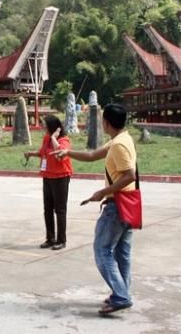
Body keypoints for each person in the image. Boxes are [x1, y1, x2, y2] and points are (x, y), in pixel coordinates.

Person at [51, 104, 137, 315]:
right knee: (121, 253)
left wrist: (102, 192)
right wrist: (68, 152)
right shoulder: (122, 140)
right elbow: (91, 155)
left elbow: (129, 175)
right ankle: (121, 293)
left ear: (106, 122)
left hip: (117, 204)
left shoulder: (119, 146)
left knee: (102, 250)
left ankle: (121, 296)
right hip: (128, 202)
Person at [24, 115, 73, 250]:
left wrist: (54, 138)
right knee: (48, 210)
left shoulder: (64, 140)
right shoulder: (46, 139)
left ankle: (61, 240)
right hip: (48, 177)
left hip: (61, 177)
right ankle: (50, 238)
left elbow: (59, 154)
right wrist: (31, 154)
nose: (43, 127)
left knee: (60, 210)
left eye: (45, 125)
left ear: (53, 127)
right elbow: (43, 152)